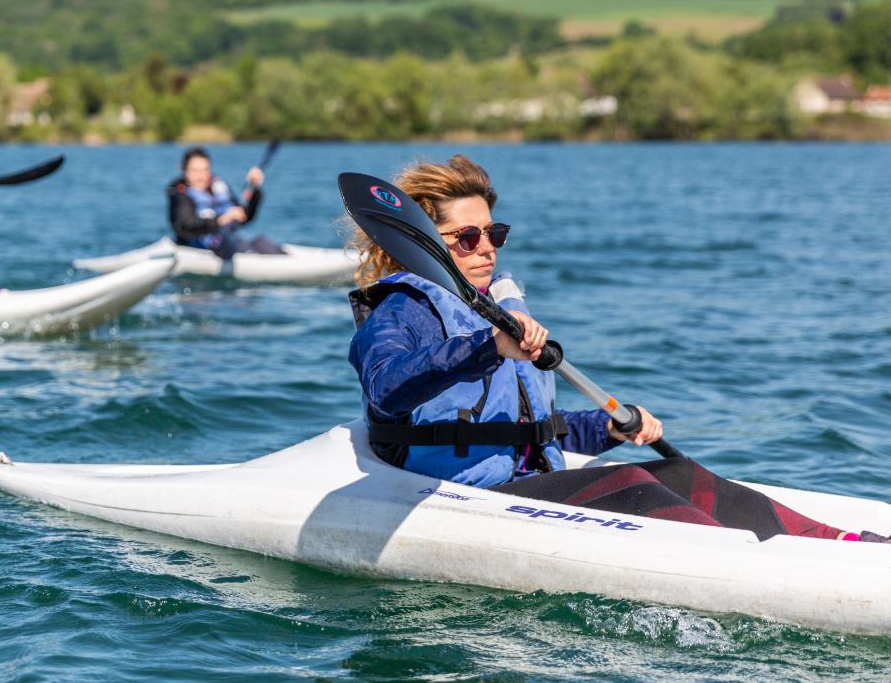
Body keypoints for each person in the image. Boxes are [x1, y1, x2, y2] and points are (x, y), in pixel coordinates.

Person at [348, 154, 886, 544]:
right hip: (464, 496)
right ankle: (753, 567)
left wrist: (606, 428)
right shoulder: (402, 311)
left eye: (495, 234)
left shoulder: (498, 311)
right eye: (468, 237)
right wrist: (487, 347)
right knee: (629, 483)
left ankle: (840, 546)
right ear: (426, 242)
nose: (486, 247)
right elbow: (388, 388)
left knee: (680, 475)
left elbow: (533, 429)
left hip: (532, 483)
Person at [167, 147, 285, 259]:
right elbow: (183, 226)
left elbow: (244, 216)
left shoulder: (219, 186)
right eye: (195, 170)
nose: (201, 176)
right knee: (227, 243)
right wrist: (220, 220)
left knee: (262, 242)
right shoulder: (180, 194)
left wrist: (254, 189)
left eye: (205, 169)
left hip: (232, 241)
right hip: (204, 246)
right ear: (184, 170)